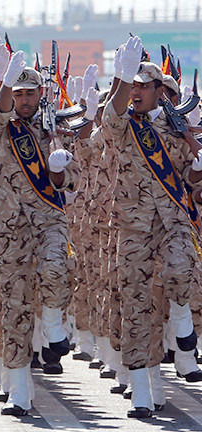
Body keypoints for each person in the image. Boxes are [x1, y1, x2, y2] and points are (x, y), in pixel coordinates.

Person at [103, 36, 202, 418]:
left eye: (145, 86)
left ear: (162, 92)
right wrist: (123, 76)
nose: (138, 93)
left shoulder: (178, 129)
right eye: (135, 87)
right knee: (137, 308)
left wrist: (198, 160)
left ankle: (181, 317)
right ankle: (144, 389)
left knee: (182, 269)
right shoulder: (125, 125)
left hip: (174, 220)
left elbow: (193, 182)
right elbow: (110, 119)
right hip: (133, 227)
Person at [0, 51, 76, 416]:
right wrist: (2, 82)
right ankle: (20, 390)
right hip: (7, 223)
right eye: (17, 94)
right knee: (15, 306)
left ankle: (53, 324)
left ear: (41, 95)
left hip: (49, 217)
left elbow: (72, 177)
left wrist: (57, 167)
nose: (23, 100)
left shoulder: (57, 129)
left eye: (29, 93)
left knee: (57, 267)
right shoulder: (1, 124)